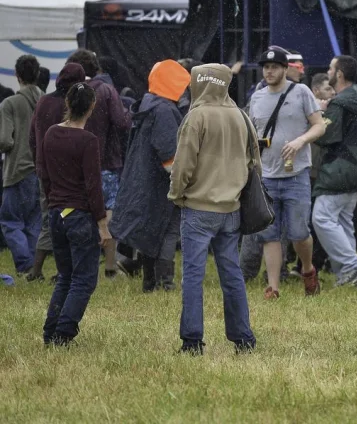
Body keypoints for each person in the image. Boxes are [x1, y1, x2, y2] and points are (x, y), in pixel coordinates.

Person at [168, 63, 259, 356]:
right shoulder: (241, 116)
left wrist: (176, 194)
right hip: (231, 209)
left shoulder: (196, 116)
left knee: (193, 276)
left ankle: (192, 341)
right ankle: (243, 338)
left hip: (197, 208)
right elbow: (253, 161)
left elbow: (183, 165)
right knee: (231, 274)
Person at [248, 46, 326, 299]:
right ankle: (274, 286)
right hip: (267, 176)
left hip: (296, 175)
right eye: (266, 67)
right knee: (269, 233)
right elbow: (251, 134)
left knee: (298, 232)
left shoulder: (301, 92)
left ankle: (307, 269)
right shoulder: (257, 97)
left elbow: (319, 125)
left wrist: (300, 141)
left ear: (284, 69)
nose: (269, 71)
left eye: (274, 67)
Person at [109, 60, 192, 293]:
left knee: (151, 233)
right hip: (162, 184)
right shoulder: (165, 110)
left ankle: (150, 282)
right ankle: (165, 283)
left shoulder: (148, 103)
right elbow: (169, 154)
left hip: (145, 182)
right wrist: (183, 184)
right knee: (167, 232)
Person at [39, 82, 110, 347]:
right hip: (79, 217)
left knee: (65, 276)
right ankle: (63, 334)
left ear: (67, 104)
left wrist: (52, 202)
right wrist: (102, 225)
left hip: (56, 213)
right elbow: (93, 187)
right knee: (83, 280)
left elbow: (44, 175)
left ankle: (50, 331)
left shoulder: (50, 134)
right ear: (91, 107)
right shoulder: (88, 141)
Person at [66, 50, 132, 280]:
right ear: (97, 69)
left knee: (80, 211)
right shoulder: (106, 90)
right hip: (106, 163)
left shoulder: (71, 92)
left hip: (74, 163)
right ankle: (111, 267)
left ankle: (81, 264)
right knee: (109, 211)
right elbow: (122, 122)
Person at [312, 55, 357, 287]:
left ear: (338, 74)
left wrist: (319, 113)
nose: (327, 71)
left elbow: (326, 135)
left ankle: (352, 267)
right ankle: (347, 278)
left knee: (321, 217)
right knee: (343, 220)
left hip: (341, 167)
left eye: (330, 67)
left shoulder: (338, 103)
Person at [26, 64, 87, 282]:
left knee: (47, 217)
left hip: (45, 170)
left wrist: (38, 162)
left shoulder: (43, 102)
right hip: (69, 173)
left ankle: (36, 269)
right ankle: (63, 272)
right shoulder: (73, 104)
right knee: (69, 218)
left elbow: (32, 137)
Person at [0, 55, 43, 274]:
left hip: (17, 170)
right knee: (34, 222)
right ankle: (34, 267)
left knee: (10, 220)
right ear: (37, 74)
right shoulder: (45, 100)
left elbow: (5, 140)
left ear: (17, 76)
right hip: (41, 172)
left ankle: (25, 265)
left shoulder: (10, 104)